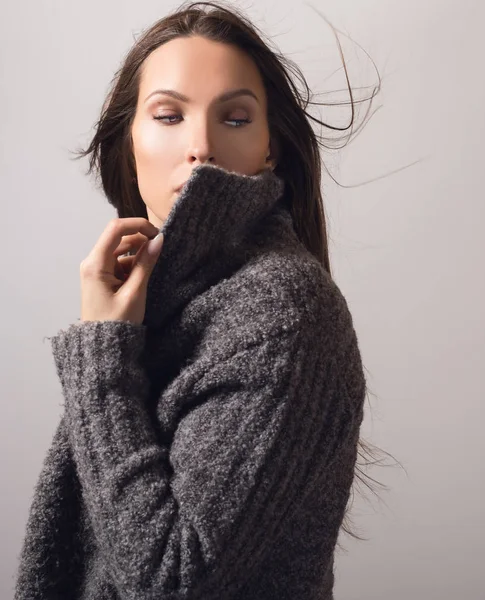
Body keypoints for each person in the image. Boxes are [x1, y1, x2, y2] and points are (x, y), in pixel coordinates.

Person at [13, 2, 395, 598]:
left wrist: (100, 360)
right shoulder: (175, 293)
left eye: (236, 119)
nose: (201, 148)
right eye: (168, 115)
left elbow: (169, 581)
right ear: (128, 143)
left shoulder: (281, 310)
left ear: (271, 148)